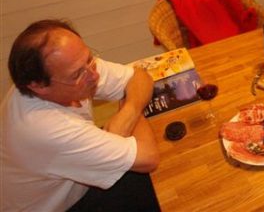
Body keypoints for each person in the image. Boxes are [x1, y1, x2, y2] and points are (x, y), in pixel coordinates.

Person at [0, 20, 161, 211]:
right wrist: (129, 103)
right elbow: (149, 158)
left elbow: (139, 77)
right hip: (63, 206)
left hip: (71, 177)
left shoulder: (73, 67)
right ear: (39, 86)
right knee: (163, 183)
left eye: (89, 59)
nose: (93, 75)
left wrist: (128, 112)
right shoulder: (46, 129)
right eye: (77, 75)